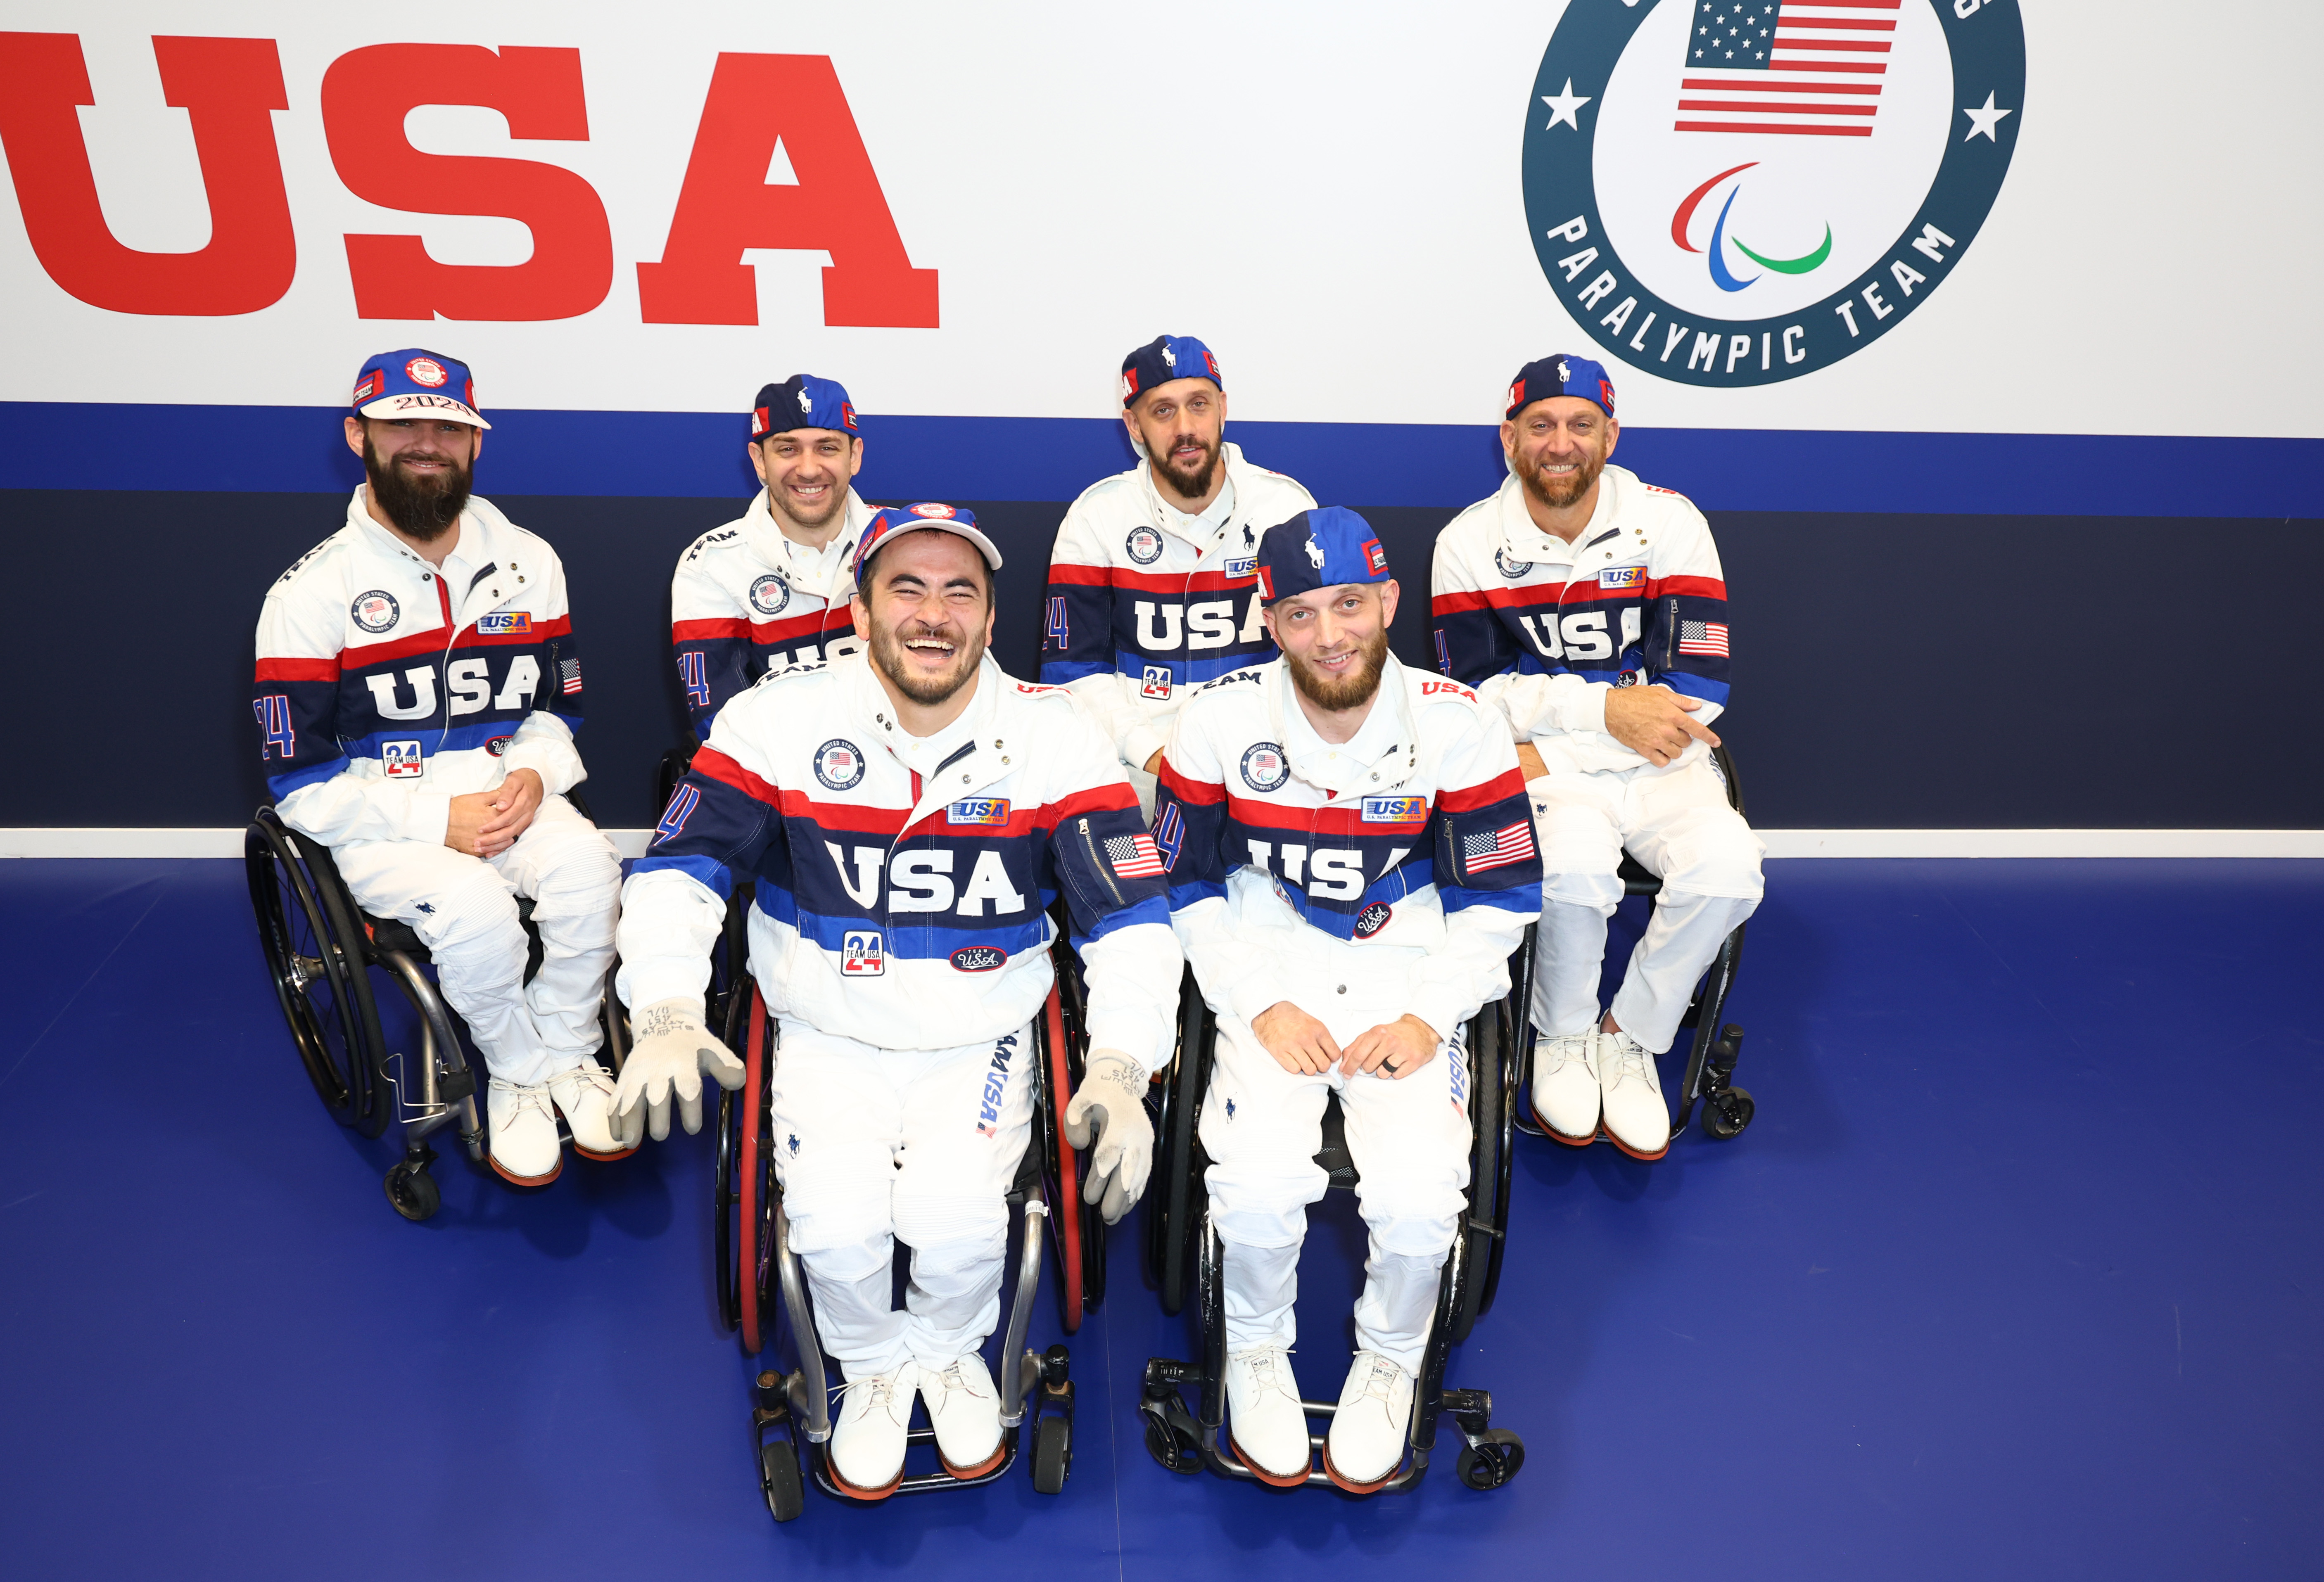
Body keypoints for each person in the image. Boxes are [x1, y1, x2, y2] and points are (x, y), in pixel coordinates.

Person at [610, 506, 1183, 1499]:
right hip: (826, 1028)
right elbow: (680, 871)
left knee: (957, 1220)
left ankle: (951, 1351)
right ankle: (872, 1367)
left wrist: (1124, 1065)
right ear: (859, 610)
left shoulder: (1056, 739)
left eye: (959, 591)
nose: (933, 614)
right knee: (833, 1226)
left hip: (983, 1032)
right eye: (906, 589)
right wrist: (663, 1006)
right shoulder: (774, 721)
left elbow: (1132, 923)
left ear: (991, 617)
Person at [1153, 508, 1541, 1492]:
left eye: (1351, 606)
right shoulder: (1216, 720)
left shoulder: (1461, 721)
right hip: (1268, 953)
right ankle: (1253, 1353)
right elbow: (1184, 885)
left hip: (1408, 963)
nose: (1331, 634)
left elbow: (1500, 900)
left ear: (1389, 603)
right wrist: (1253, 1001)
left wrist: (1429, 1014)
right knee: (1251, 1187)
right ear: (1267, 619)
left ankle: (1389, 1360)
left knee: (1420, 1201)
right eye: (1302, 613)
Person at [252, 349, 626, 1186]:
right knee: (477, 910)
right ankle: (518, 1077)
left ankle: (566, 1053)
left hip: (503, 784)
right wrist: (434, 819)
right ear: (359, 436)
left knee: (591, 873)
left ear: (475, 443)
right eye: (403, 424)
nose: (427, 441)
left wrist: (534, 772)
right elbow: (301, 785)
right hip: (379, 815)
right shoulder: (310, 594)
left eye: (447, 426)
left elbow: (553, 711)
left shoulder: (531, 557)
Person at [1428, 354, 1764, 1161]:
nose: (1560, 442)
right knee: (1572, 864)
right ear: (1507, 438)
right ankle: (1563, 1032)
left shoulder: (1668, 521)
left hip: (1649, 762)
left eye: (1580, 424)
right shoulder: (1467, 542)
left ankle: (1628, 1034)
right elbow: (1466, 698)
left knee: (1727, 868)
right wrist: (1607, 707)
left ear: (1609, 434)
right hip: (1578, 764)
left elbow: (1697, 689)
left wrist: (1548, 739)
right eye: (1539, 424)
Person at [1040, 334, 1316, 806]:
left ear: (1222, 409)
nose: (1185, 427)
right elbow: (1072, 672)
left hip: (1267, 766)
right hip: (1137, 771)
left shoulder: (1284, 507)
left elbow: (1315, 655)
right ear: (1133, 425)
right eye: (1163, 411)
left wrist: (1256, 753)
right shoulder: (1097, 516)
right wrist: (1154, 756)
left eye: (1198, 405)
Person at [669, 374, 875, 742]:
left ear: (854, 456)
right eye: (787, 449)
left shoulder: (901, 541)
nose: (809, 468)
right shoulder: (711, 563)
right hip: (778, 780)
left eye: (827, 448)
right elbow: (723, 726)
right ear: (759, 461)